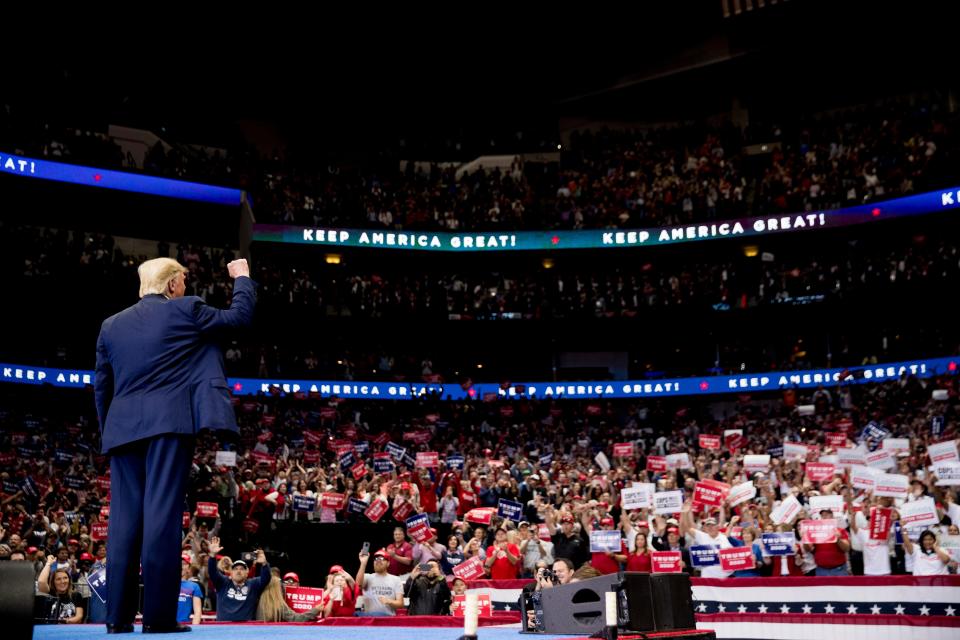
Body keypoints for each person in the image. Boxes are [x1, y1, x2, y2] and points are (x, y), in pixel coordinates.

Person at [94, 257, 255, 633]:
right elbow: (238, 318)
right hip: (168, 425)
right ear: (170, 286)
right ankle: (159, 619)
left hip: (122, 430)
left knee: (123, 522)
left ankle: (116, 619)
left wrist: (110, 432)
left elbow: (102, 386)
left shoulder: (110, 325)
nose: (185, 285)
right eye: (183, 279)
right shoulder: (186, 309)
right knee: (161, 519)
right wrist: (243, 278)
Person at [207, 538, 271, 621]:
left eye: (242, 569)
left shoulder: (253, 584)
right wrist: (212, 555)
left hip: (245, 630)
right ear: (231, 572)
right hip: (223, 629)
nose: (238, 571)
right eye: (235, 569)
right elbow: (212, 572)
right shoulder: (223, 583)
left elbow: (266, 578)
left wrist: (264, 563)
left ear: (247, 572)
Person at [355, 547, 404, 616]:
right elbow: (357, 585)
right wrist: (363, 563)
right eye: (376, 559)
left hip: (388, 619)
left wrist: (389, 601)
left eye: (381, 559)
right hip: (370, 619)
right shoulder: (367, 577)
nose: (378, 561)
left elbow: (400, 604)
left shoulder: (396, 580)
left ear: (388, 563)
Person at [256, 572, 323, 621]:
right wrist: (315, 610)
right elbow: (296, 619)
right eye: (282, 585)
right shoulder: (277, 604)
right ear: (277, 589)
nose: (288, 583)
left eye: (293, 581)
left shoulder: (259, 601)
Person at [37, 555, 84, 623]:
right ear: (53, 582)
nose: (63, 581)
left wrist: (66, 621)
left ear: (69, 580)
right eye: (58, 579)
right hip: (50, 629)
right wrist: (49, 563)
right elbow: (41, 581)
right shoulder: (49, 593)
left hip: (69, 629)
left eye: (65, 578)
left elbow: (79, 616)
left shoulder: (76, 595)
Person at [176, 560, 203, 626]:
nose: (181, 566)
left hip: (184, 625)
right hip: (167, 626)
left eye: (184, 564)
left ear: (189, 569)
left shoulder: (194, 586)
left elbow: (198, 611)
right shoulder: (165, 584)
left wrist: (195, 628)